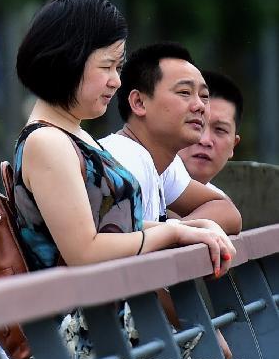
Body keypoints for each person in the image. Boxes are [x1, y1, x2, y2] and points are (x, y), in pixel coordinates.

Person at [13, 0, 234, 359]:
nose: (116, 80)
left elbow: (111, 231)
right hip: (88, 356)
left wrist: (182, 228)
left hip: (111, 340)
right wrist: (173, 230)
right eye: (108, 66)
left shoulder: (73, 137)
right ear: (70, 58)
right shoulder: (48, 143)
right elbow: (86, 251)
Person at [98, 44, 242, 233]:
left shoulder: (163, 163)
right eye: (184, 92)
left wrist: (178, 230)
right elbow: (108, 242)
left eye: (204, 96)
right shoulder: (122, 163)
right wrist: (177, 233)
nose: (199, 105)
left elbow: (228, 212)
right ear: (139, 103)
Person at [178, 70, 243, 188]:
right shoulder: (140, 187)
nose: (204, 140)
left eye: (220, 129)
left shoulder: (223, 204)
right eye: (195, 123)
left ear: (233, 145)